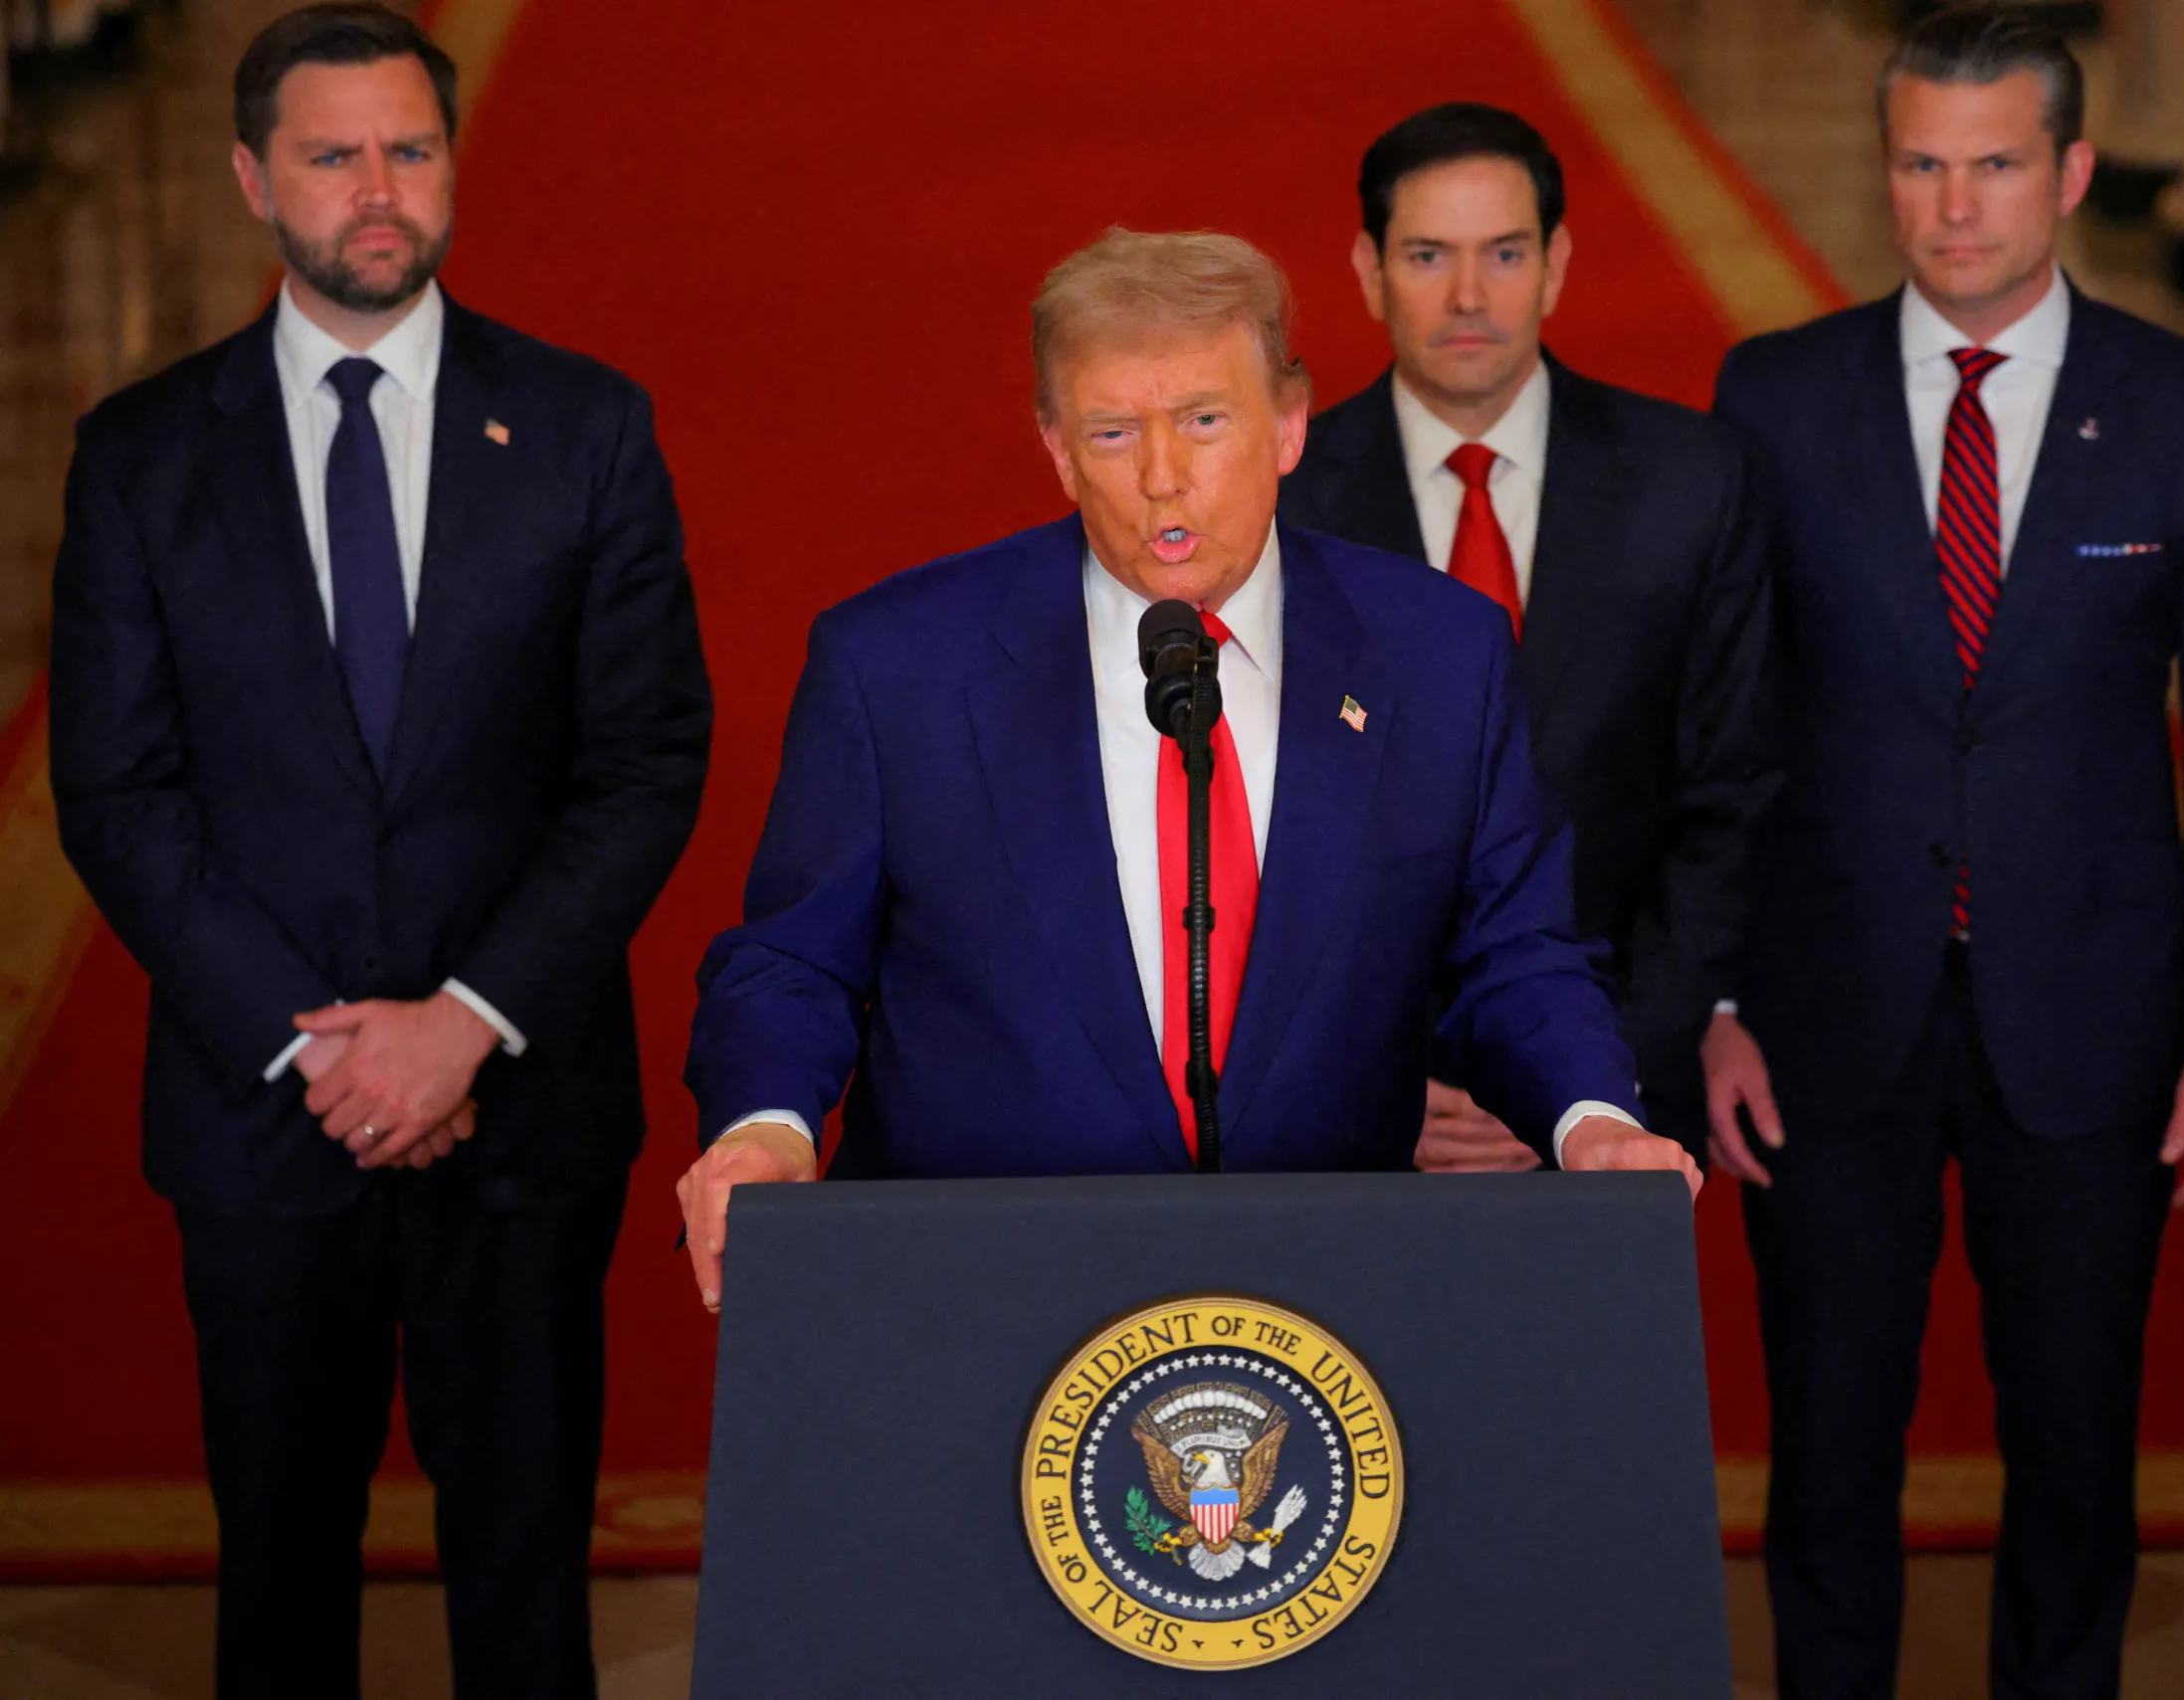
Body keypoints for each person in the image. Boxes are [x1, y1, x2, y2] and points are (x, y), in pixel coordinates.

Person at [47, 7, 712, 1694]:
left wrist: (465, 1017)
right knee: (278, 1567)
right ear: (253, 177)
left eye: (411, 148)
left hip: (523, 1104)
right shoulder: (141, 454)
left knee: (524, 1566)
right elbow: (118, 793)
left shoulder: (586, 426)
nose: (377, 191)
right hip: (262, 1108)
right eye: (335, 154)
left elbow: (643, 761)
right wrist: (318, 1043)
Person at [677, 229, 1697, 1309]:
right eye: (1112, 432)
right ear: (1059, 450)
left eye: (1204, 420)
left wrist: (1595, 1123)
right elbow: (793, 961)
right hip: (974, 1297)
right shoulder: (897, 665)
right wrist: (763, 1130)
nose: (1161, 477)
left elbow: (1516, 953)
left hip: (1322, 1297)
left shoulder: (1435, 654)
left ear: (1290, 424)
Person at [1705, 10, 2184, 1698]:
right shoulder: (1774, 392)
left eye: (1991, 165)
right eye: (1920, 163)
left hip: (2097, 1019)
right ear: (1884, 169)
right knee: (1828, 1453)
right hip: (1830, 1016)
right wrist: (1724, 992)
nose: (1953, 207)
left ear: (2071, 173)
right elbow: (1727, 726)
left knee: (2073, 1453)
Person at [1280, 102, 1775, 1173]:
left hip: (1613, 1107)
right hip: (1349, 1118)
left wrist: (1578, 1086)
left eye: (1502, 253)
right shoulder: (1282, 505)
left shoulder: (1690, 481)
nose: (1468, 296)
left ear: (1554, 265)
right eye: (1427, 255)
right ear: (1367, 270)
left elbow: (1730, 800)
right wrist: (1382, 1085)